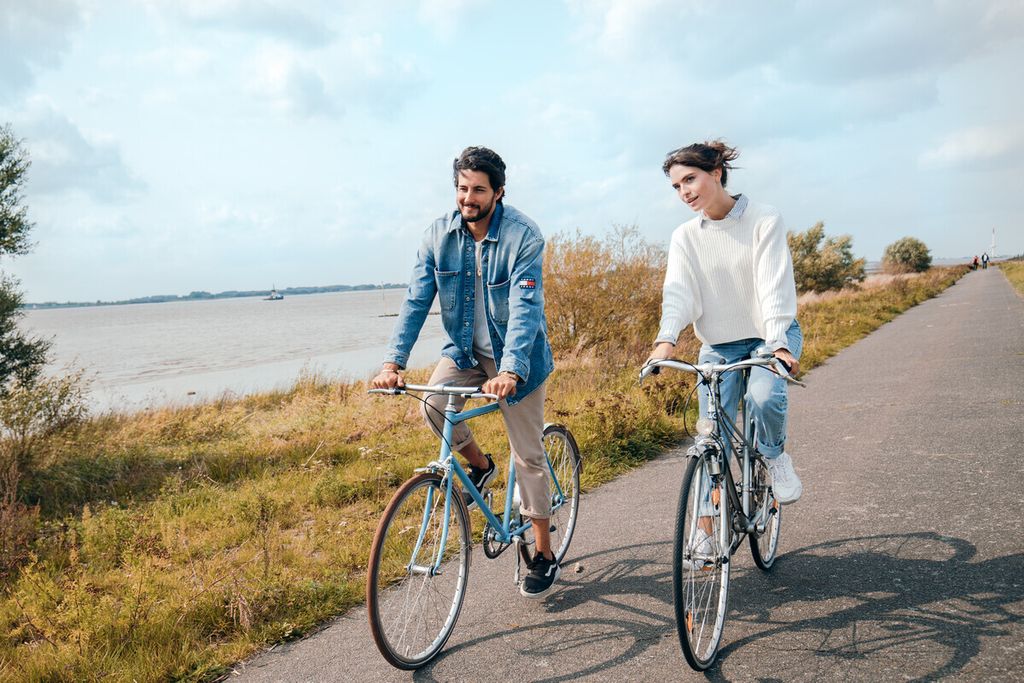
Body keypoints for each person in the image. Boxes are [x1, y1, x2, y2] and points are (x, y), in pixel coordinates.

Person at [371, 146, 560, 598]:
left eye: (478, 189)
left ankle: (544, 552)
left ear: (498, 192)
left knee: (528, 455)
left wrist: (511, 371)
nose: (468, 198)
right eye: (461, 188)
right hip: (464, 354)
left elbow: (524, 308)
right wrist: (392, 363)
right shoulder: (438, 235)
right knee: (433, 406)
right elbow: (416, 301)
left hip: (517, 360)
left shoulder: (523, 236)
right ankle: (480, 465)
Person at [647, 140, 804, 505]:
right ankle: (705, 531)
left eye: (690, 179)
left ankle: (775, 456)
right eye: (676, 186)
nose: (684, 192)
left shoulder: (764, 218)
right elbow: (679, 293)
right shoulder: (685, 236)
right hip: (719, 344)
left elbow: (773, 285)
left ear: (716, 173)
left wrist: (779, 341)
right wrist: (665, 339)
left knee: (763, 397)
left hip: (770, 336)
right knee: (710, 439)